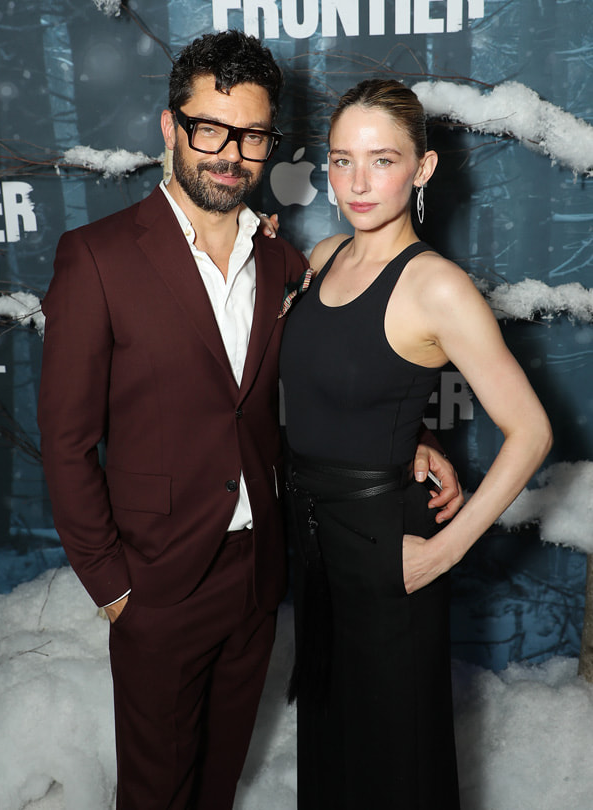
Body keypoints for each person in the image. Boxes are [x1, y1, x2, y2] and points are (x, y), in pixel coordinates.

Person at [38, 33, 462, 810]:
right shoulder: (95, 259)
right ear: (170, 129)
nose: (230, 154)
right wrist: (113, 588)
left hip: (261, 575)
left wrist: (410, 442)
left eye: (254, 135)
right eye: (210, 129)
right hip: (156, 585)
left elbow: (331, 382)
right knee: (158, 794)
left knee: (219, 783)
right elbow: (66, 444)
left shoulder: (284, 264)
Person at [279, 78, 553, 810]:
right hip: (315, 546)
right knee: (333, 754)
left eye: (382, 160)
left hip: (385, 552)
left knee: (394, 766)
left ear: (423, 169)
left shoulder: (438, 287)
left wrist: (442, 551)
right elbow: (347, 384)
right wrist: (418, 433)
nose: (357, 183)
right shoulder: (327, 255)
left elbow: (531, 432)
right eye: (341, 161)